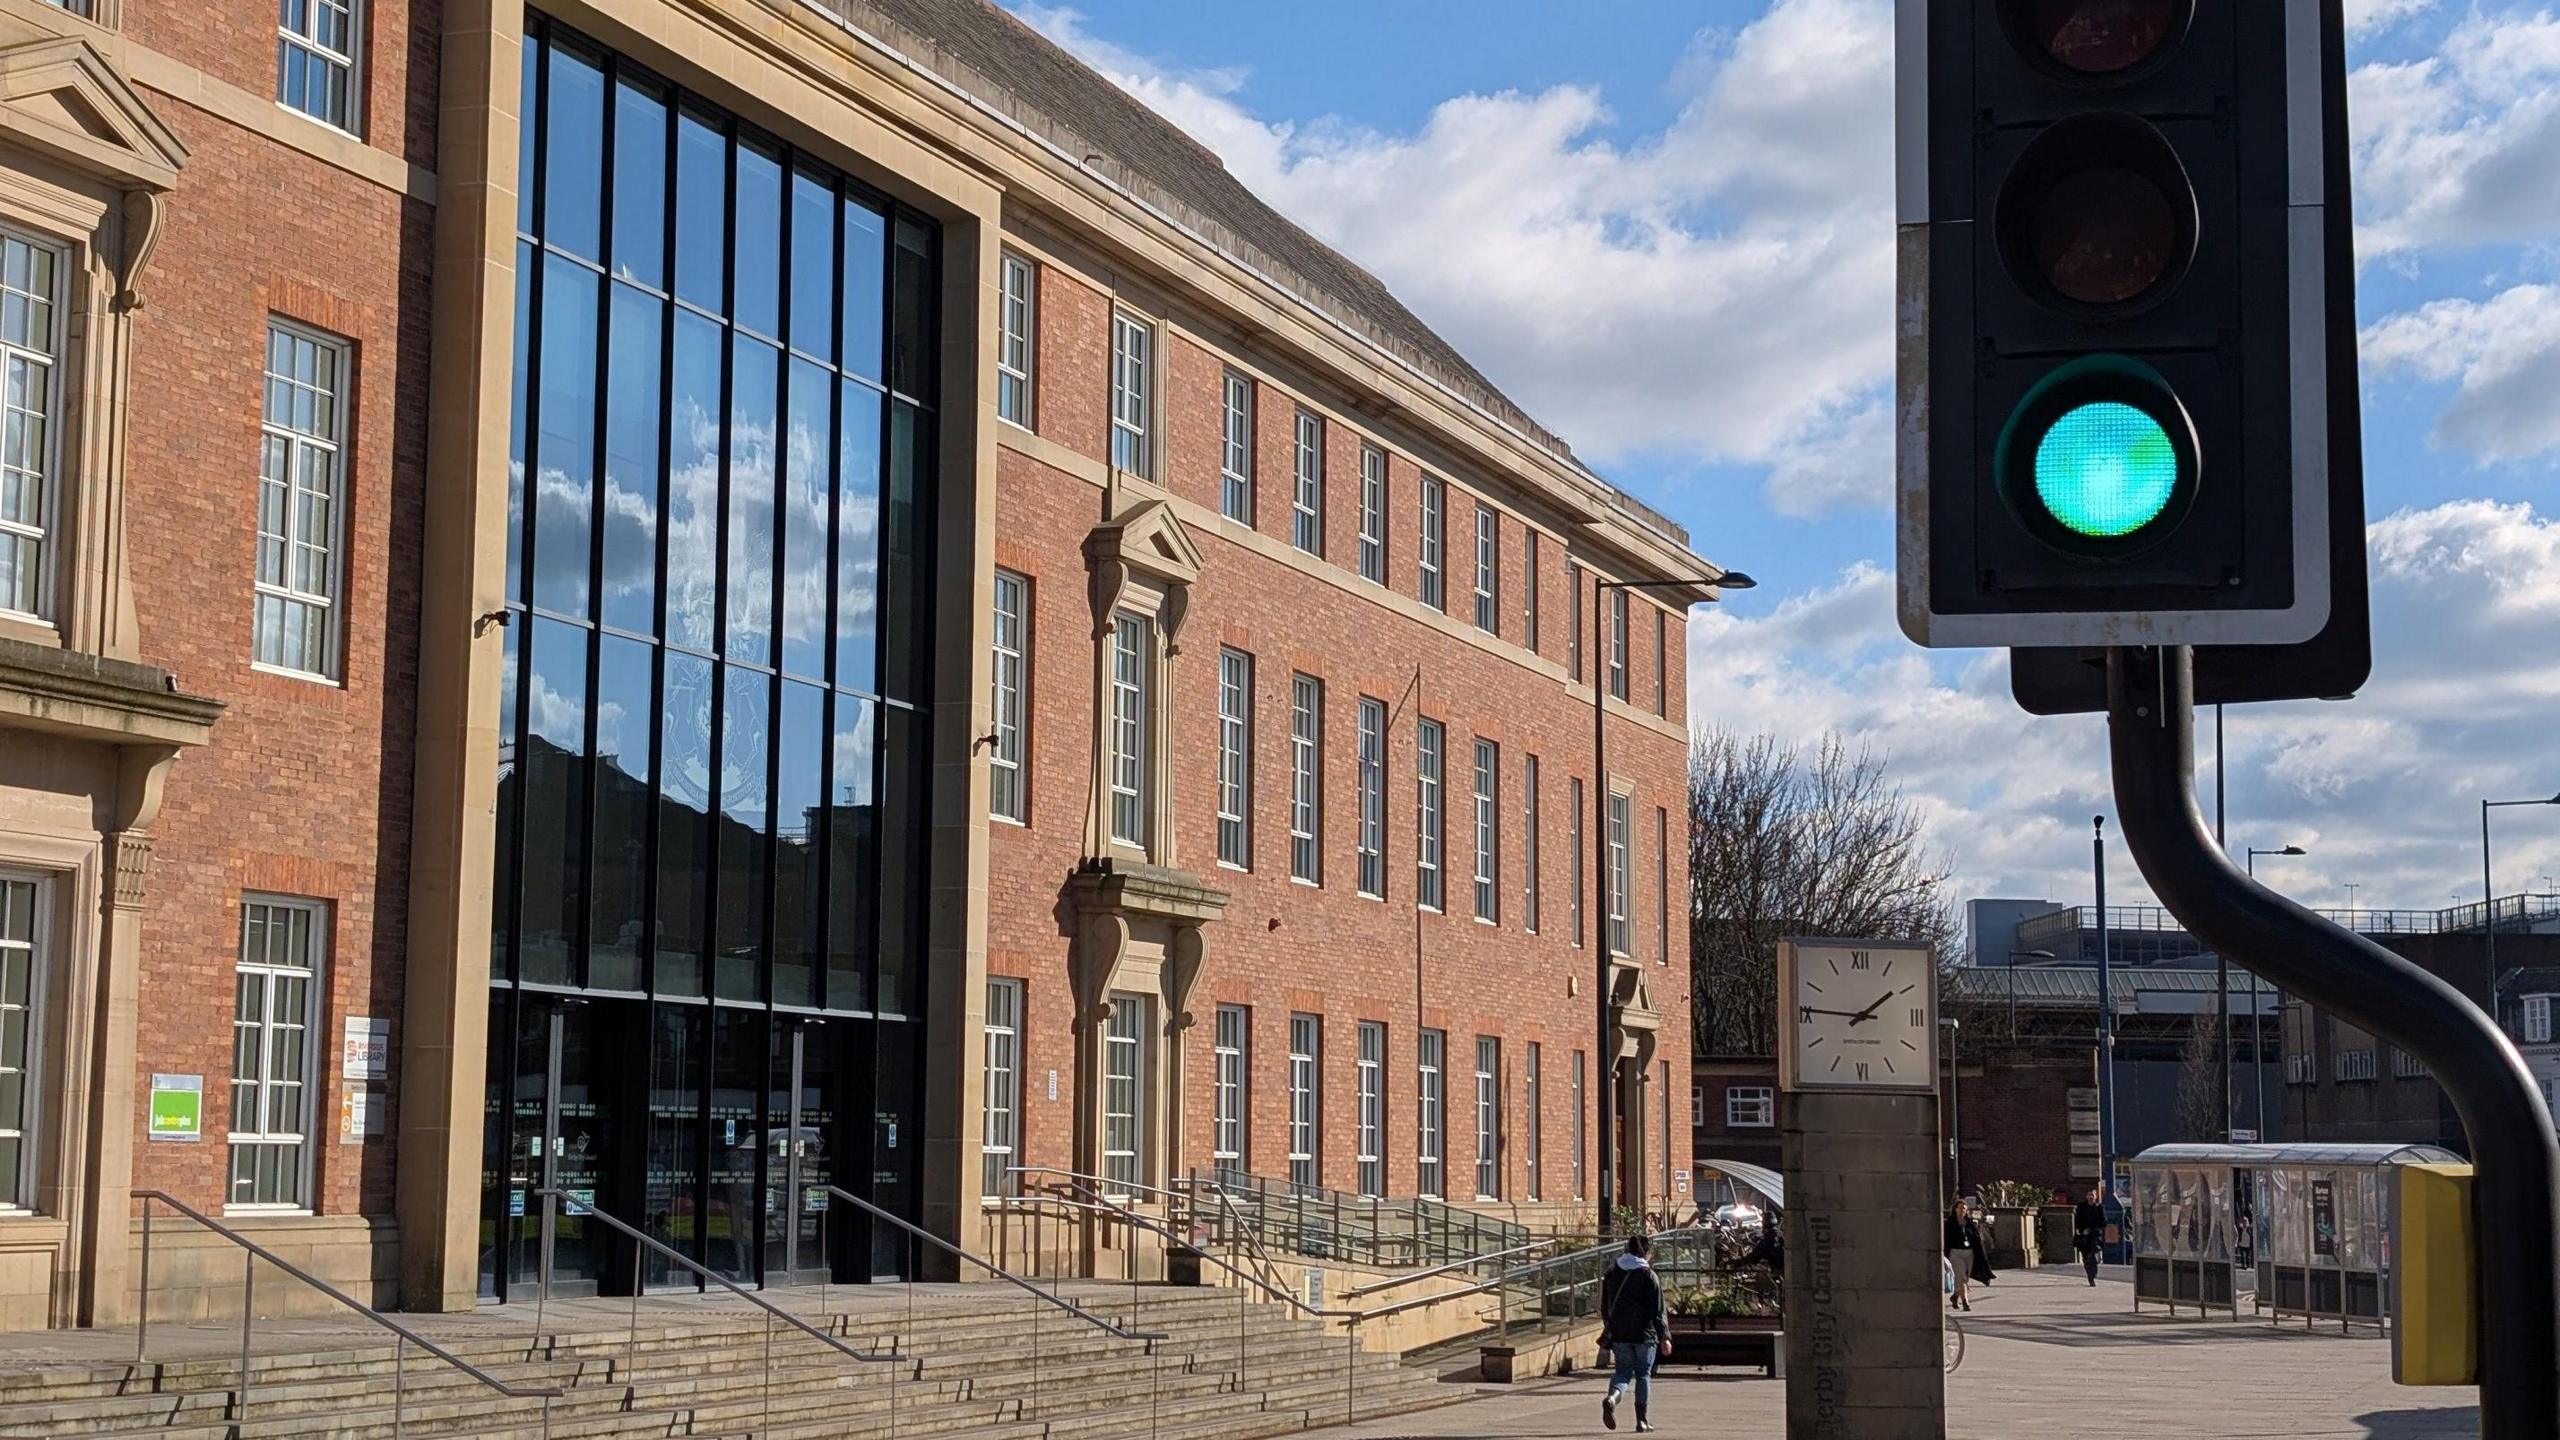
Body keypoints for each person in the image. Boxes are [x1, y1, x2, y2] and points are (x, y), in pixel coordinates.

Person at [1599, 1233, 1670, 1433]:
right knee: (1643, 1375)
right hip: (1644, 1335)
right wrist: (1665, 1336)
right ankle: (1642, 1421)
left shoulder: (1613, 1271)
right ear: (1646, 1252)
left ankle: (1612, 1399)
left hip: (1620, 1333)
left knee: (1622, 1373)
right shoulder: (1648, 1275)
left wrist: (1609, 1325)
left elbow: (1605, 1304)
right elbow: (1657, 1310)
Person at [1944, 1200, 1989, 1312]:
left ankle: (1955, 1296)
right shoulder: (1950, 1223)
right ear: (1955, 1209)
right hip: (1956, 1253)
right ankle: (1965, 1302)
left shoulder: (1969, 1223)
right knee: (1961, 1278)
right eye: (1960, 1208)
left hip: (1969, 1253)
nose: (1962, 1210)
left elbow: (1976, 1238)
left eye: (1964, 1208)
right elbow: (1946, 1238)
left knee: (1965, 1278)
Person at [2073, 1186, 2108, 1286]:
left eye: (2093, 1195)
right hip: (2084, 1235)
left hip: (2094, 1235)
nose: (2091, 1197)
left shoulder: (2099, 1207)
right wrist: (2082, 1230)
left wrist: (2093, 1229)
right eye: (2089, 1195)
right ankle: (2090, 1276)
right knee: (2085, 1257)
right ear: (2086, 1196)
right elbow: (2077, 1220)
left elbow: (2103, 1222)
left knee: (2092, 1254)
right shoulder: (2081, 1207)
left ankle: (2093, 1272)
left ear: (2096, 1196)